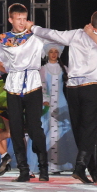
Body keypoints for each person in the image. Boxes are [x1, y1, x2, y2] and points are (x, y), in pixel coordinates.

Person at [30, 11, 97, 184]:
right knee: (89, 130)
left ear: (90, 23)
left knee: (79, 130)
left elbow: (52, 33)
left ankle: (91, 169)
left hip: (73, 90)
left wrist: (33, 27)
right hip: (90, 88)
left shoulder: (77, 34)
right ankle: (80, 167)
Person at [0, 3, 50, 182]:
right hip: (13, 85)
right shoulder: (2, 39)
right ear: (11, 19)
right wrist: (8, 69)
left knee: (35, 128)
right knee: (15, 129)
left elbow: (53, 37)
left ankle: (43, 168)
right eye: (18, 19)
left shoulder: (35, 35)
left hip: (33, 83)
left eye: (24, 18)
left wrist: (36, 28)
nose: (22, 22)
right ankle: (23, 170)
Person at [37, 43, 77, 174]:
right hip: (46, 104)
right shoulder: (42, 69)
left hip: (61, 103)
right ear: (47, 54)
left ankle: (60, 163)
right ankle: (47, 163)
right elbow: (41, 87)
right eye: (51, 52)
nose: (53, 54)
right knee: (47, 132)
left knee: (61, 133)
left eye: (56, 52)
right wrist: (44, 100)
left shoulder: (64, 68)